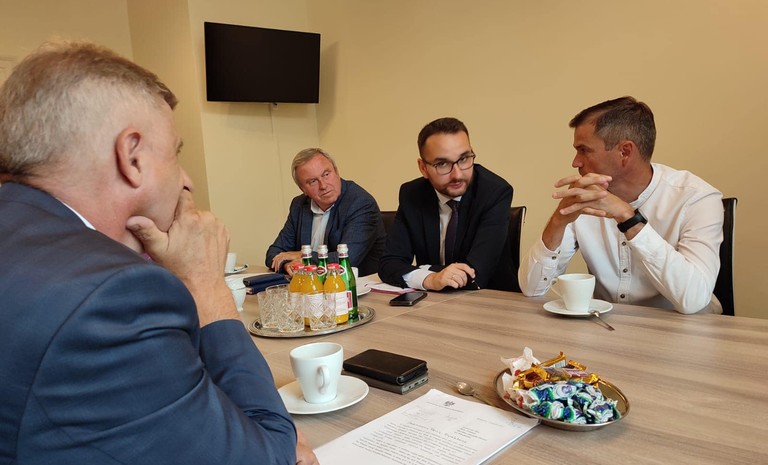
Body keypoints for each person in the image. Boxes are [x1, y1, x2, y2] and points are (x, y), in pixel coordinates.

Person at [0, 41, 317, 464]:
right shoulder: (111, 296)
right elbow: (271, 456)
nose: (187, 181)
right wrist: (204, 283)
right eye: (175, 154)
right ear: (132, 156)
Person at [519, 96, 724, 314]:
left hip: (684, 328)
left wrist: (629, 218)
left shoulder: (696, 198)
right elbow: (532, 289)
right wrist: (558, 221)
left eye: (584, 150)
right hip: (607, 326)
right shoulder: (586, 197)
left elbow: (694, 300)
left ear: (625, 152)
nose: (575, 162)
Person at [378, 117, 515, 291]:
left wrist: (423, 271)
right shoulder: (412, 194)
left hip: (490, 299)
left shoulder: (494, 192)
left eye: (464, 159)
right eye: (442, 164)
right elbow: (389, 263)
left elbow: (475, 274)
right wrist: (429, 279)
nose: (457, 174)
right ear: (423, 168)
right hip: (434, 301)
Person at [266, 148, 386, 276]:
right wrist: (287, 265)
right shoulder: (299, 205)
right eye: (313, 181)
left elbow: (347, 258)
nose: (323, 185)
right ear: (302, 189)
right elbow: (274, 253)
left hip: (356, 284)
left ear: (337, 172)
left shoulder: (360, 202)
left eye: (326, 174)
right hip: (311, 284)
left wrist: (303, 256)